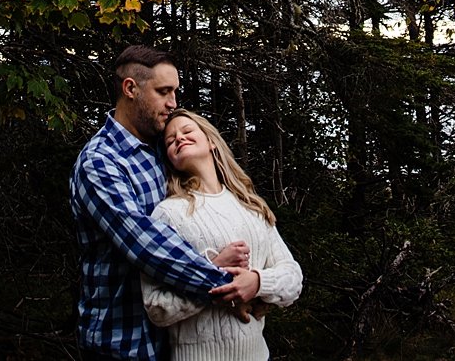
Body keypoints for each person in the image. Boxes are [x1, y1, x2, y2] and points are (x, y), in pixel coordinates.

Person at [71, 44, 262, 361]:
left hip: (175, 340)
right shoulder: (100, 162)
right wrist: (226, 284)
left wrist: (257, 281)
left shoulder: (166, 150)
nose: (173, 104)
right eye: (163, 92)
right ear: (131, 88)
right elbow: (144, 243)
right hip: (122, 343)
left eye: (175, 92)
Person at [142, 109, 303, 361]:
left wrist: (256, 283)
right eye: (170, 140)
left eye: (186, 131)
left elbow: (293, 278)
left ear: (212, 142)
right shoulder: (168, 214)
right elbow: (156, 307)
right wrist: (213, 274)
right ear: (169, 159)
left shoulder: (250, 206)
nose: (178, 139)